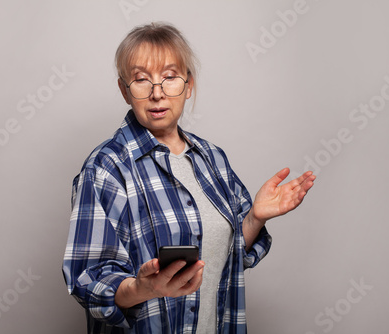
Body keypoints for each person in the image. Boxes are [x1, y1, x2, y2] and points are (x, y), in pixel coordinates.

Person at [62, 22, 316, 334]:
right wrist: (144, 288)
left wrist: (254, 219)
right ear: (124, 90)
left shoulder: (213, 160)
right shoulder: (106, 167)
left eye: (169, 77)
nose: (157, 93)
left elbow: (227, 257)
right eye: (141, 80)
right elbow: (87, 278)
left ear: (188, 85)